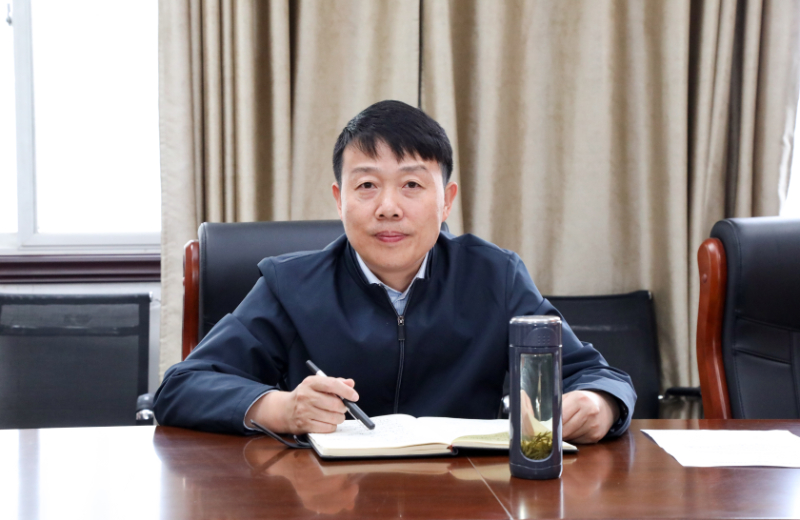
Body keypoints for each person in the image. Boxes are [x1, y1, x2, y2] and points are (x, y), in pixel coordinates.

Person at [154, 100, 636, 444]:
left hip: (462, 495)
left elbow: (596, 374)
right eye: (367, 185)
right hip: (328, 498)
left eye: (411, 185)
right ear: (339, 199)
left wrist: (598, 404)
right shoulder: (290, 284)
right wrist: (282, 409)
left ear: (446, 202)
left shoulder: (495, 277)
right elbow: (180, 388)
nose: (388, 207)